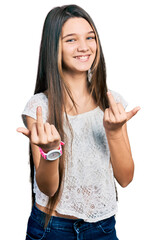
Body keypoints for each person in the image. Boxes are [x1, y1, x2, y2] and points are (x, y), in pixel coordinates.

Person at [17, 4, 140, 240]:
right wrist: (51, 152)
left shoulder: (111, 103)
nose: (84, 47)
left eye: (90, 37)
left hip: (102, 228)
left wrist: (113, 132)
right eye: (71, 40)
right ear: (54, 47)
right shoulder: (39, 108)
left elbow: (125, 178)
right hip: (52, 229)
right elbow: (48, 188)